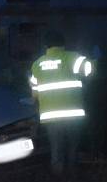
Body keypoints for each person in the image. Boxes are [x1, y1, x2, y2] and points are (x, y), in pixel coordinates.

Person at [29, 30, 94, 174]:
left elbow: (34, 93)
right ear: (63, 44)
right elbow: (89, 71)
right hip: (73, 115)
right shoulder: (73, 58)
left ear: (46, 45)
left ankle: (58, 181)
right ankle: (73, 178)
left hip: (50, 117)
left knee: (56, 149)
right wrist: (94, 58)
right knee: (73, 148)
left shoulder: (37, 64)